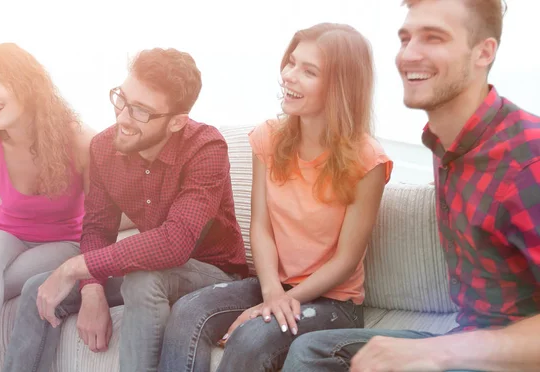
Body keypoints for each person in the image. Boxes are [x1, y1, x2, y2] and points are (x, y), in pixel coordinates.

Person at [282, 1, 540, 371]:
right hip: (467, 336)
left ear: (484, 52)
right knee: (311, 351)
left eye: (433, 38)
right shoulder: (444, 143)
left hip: (512, 357)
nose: (409, 54)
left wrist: (439, 353)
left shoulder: (528, 160)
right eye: (405, 39)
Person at [159, 23, 393, 372]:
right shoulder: (268, 137)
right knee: (187, 311)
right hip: (273, 284)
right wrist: (271, 294)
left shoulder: (367, 160)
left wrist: (279, 303)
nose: (289, 76)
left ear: (340, 87)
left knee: (252, 337)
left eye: (308, 71)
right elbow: (261, 225)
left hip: (333, 302)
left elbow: (346, 260)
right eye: (291, 62)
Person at [1, 47, 248, 372]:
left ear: (176, 122)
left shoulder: (205, 148)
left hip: (213, 274)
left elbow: (175, 243)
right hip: (151, 269)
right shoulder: (104, 148)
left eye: (141, 111)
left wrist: (75, 268)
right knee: (39, 288)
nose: (122, 118)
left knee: (143, 280)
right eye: (122, 99)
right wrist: (91, 290)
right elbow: (97, 229)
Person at [0, 43, 94, 372]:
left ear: (27, 83)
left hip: (65, 244)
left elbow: (100, 223)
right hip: (6, 238)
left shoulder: (81, 142)